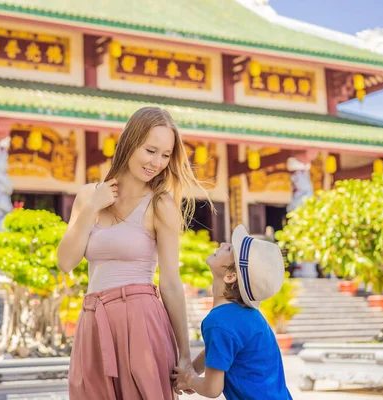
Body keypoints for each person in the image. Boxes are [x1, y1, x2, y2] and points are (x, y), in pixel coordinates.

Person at [57, 106, 211, 399]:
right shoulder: (89, 196)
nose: (157, 162)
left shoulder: (161, 205)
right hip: (93, 318)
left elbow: (170, 282)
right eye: (150, 150)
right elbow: (65, 262)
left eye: (165, 155)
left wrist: (184, 354)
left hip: (140, 318)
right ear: (130, 142)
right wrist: (93, 207)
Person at [172, 224, 293, 399]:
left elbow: (212, 389)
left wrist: (189, 379)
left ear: (230, 276)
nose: (222, 244)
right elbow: (216, 351)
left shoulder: (219, 322)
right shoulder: (248, 316)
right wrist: (192, 369)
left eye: (229, 249)